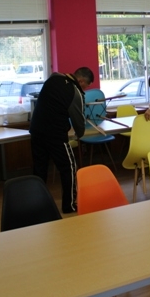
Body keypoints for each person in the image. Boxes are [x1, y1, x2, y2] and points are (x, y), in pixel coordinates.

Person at [29, 67, 93, 214]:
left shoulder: (53, 78)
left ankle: (36, 204)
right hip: (55, 134)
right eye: (85, 86)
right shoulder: (75, 91)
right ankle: (69, 205)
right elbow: (78, 120)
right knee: (69, 168)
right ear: (81, 81)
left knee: (39, 169)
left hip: (36, 130)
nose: (84, 89)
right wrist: (79, 134)